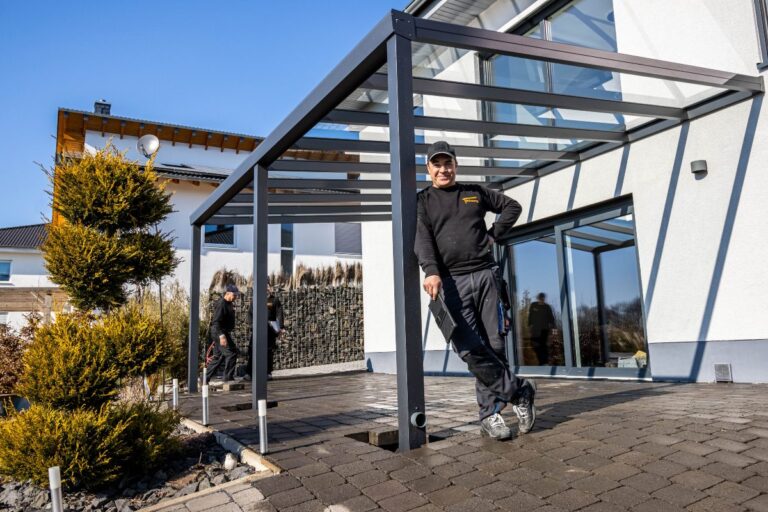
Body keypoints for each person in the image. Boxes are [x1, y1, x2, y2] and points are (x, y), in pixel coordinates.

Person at [415, 140, 536, 440]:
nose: (443, 169)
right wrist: (430, 271)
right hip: (452, 282)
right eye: (437, 164)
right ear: (428, 168)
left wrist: (493, 235)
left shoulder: (474, 193)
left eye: (448, 163)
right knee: (469, 348)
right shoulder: (423, 201)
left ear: (455, 165)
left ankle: (490, 415)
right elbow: (422, 239)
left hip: (486, 276)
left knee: (494, 346)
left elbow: (512, 207)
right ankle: (519, 391)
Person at [245, 284, 284, 380]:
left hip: (270, 330)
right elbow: (249, 314)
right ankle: (250, 373)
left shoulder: (275, 300)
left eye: (268, 288)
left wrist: (281, 327)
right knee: (253, 350)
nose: (267, 290)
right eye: (265, 288)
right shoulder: (255, 300)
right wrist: (252, 325)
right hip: (257, 329)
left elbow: (279, 314)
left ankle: (268, 372)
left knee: (268, 351)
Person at [205, 284, 239, 383]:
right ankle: (228, 378)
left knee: (218, 357)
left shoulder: (229, 303)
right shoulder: (222, 304)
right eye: (234, 295)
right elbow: (216, 322)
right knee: (231, 353)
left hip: (223, 332)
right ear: (228, 293)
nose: (236, 297)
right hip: (219, 332)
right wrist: (221, 336)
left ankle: (204, 379)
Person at [528, 292, 556, 365]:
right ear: (538, 298)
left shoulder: (547, 307)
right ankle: (542, 361)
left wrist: (554, 331)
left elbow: (552, 319)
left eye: (542, 298)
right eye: (540, 298)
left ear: (544, 299)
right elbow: (530, 317)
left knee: (543, 346)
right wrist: (530, 327)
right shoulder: (533, 305)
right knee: (534, 345)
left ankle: (543, 363)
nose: (541, 300)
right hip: (535, 331)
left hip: (544, 330)